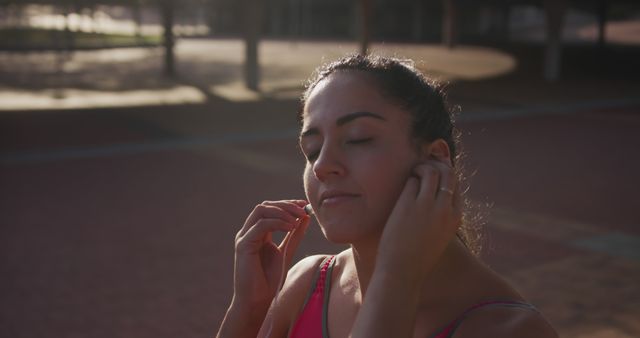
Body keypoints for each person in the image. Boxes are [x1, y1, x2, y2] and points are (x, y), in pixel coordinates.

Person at [216, 54, 558, 338]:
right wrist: (249, 311)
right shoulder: (307, 285)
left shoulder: (509, 331)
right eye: (312, 149)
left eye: (359, 138)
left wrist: (395, 278)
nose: (322, 166)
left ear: (435, 159)